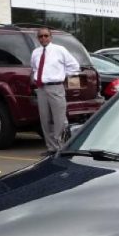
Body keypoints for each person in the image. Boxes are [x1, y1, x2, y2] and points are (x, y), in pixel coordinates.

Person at [31, 28, 80, 157]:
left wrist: (62, 77)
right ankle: (51, 148)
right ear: (38, 38)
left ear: (51, 37)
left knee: (60, 120)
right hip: (41, 89)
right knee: (45, 119)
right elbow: (35, 68)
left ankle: (62, 147)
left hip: (56, 87)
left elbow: (74, 66)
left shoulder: (60, 50)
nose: (43, 38)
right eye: (40, 36)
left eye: (46, 36)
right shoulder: (36, 52)